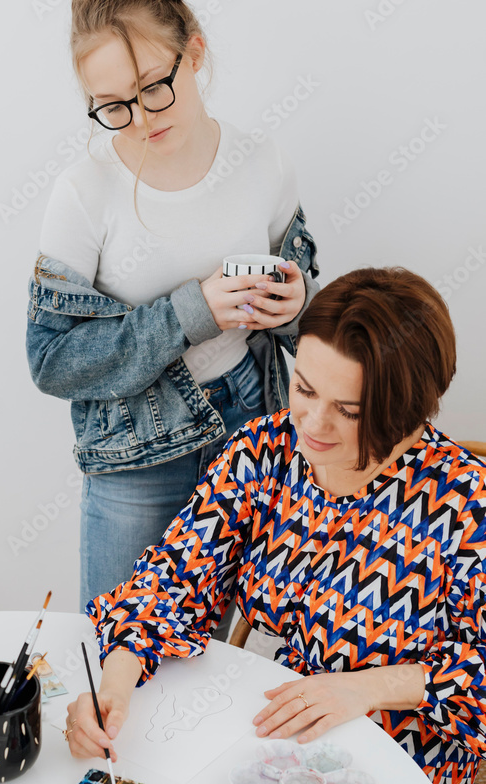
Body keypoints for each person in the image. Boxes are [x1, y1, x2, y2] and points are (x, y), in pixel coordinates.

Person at [64, 266, 486, 784]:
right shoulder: (265, 453)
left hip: (393, 766)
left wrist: (366, 688)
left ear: (407, 409)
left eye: (349, 410)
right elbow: (169, 579)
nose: (311, 422)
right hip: (266, 736)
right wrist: (113, 686)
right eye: (305, 388)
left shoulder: (466, 504)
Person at [26, 0, 319, 639]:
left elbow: (313, 321)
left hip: (249, 431)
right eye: (112, 106)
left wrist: (296, 310)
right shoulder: (84, 191)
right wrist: (193, 312)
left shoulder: (262, 162)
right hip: (135, 453)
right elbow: (50, 359)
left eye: (154, 87)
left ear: (195, 52)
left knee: (206, 670)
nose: (138, 120)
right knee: (117, 656)